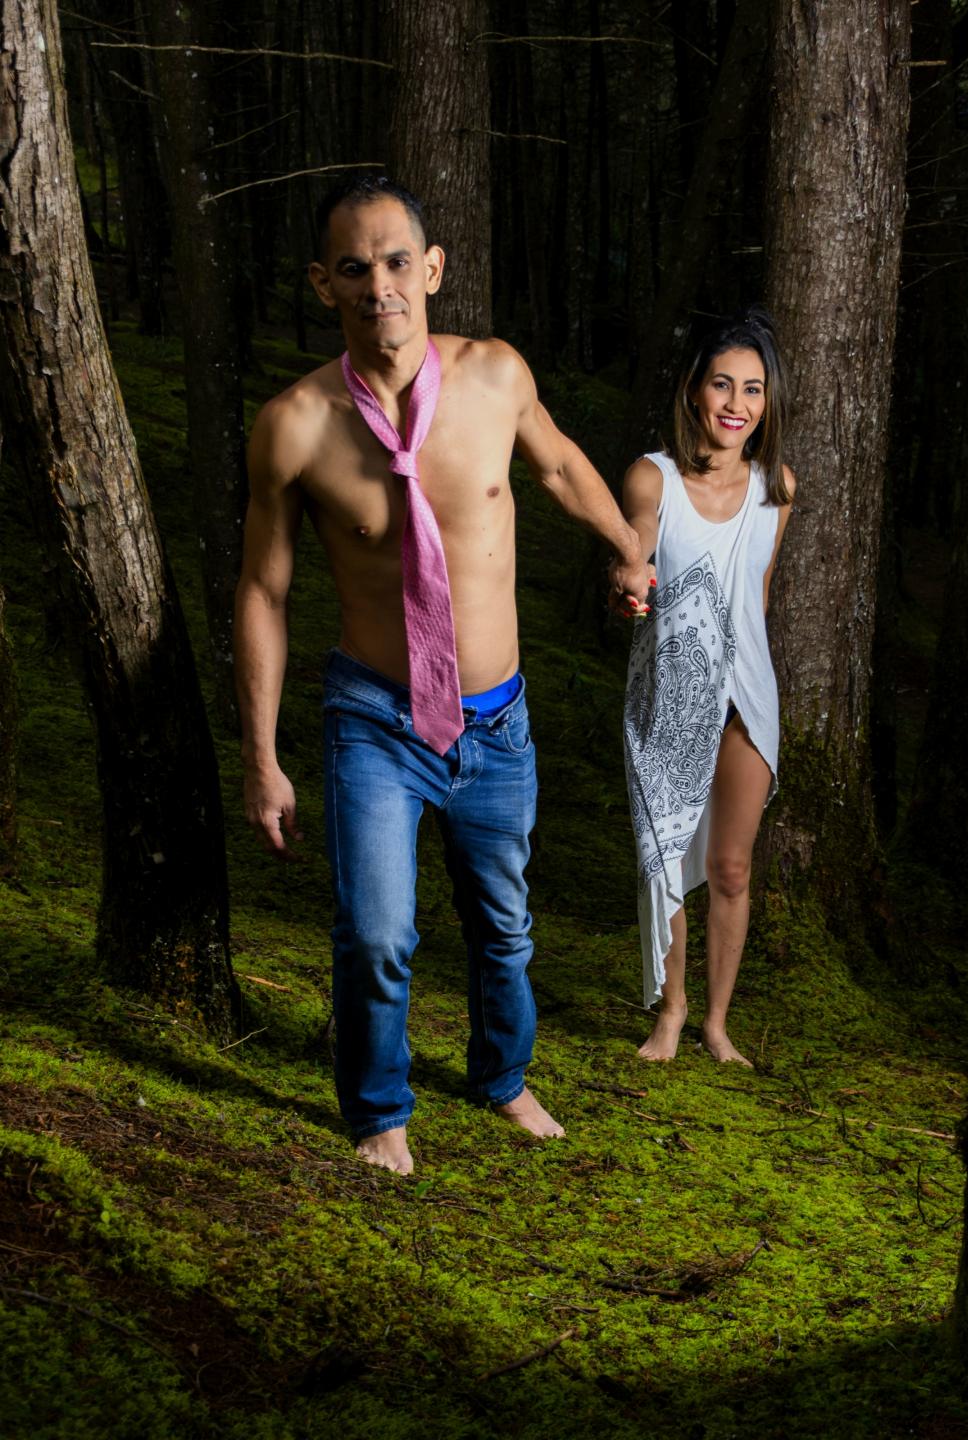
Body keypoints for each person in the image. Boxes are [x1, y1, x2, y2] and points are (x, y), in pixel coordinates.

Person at [236, 175, 648, 1173]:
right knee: (376, 933)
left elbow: (558, 467)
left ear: (430, 269)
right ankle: (379, 1112)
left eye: (394, 261)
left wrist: (627, 549)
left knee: (503, 927)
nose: (377, 284)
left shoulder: (495, 376)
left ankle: (503, 1078)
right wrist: (262, 757)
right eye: (353, 268)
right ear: (323, 284)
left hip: (497, 719)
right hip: (374, 717)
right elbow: (262, 592)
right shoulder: (294, 424)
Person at [622, 307, 795, 1066]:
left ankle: (716, 1025)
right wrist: (630, 576)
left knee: (729, 867)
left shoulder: (776, 488)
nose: (736, 403)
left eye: (753, 390)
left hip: (746, 696)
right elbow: (636, 546)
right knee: (664, 853)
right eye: (722, 384)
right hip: (668, 690)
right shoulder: (652, 475)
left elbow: (758, 593)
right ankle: (672, 1010)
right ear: (695, 388)